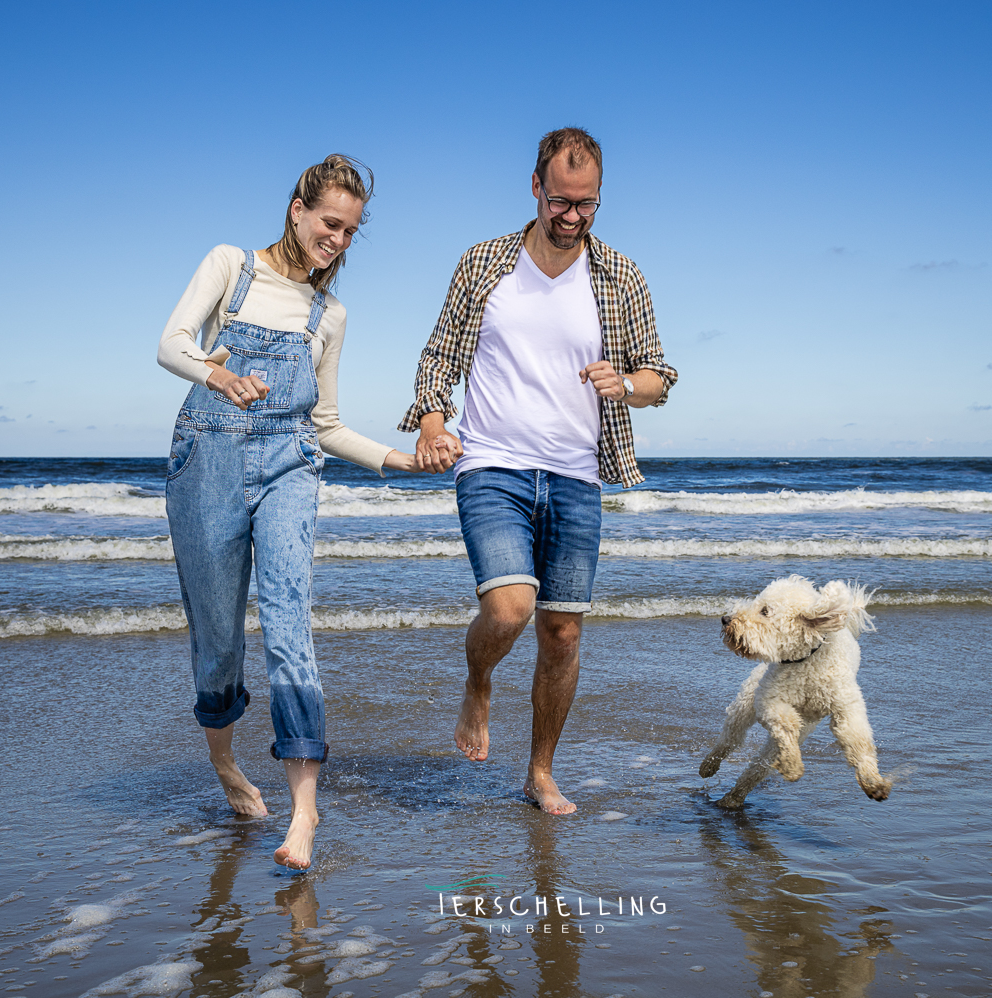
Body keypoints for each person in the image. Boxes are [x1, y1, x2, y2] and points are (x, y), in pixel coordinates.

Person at [399, 127, 678, 815]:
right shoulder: (485, 264)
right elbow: (438, 360)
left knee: (562, 632)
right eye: (560, 201)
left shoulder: (620, 276)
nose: (573, 216)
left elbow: (659, 377)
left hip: (578, 474)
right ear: (535, 188)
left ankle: (540, 772)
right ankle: (478, 681)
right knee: (510, 607)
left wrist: (629, 384)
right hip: (493, 463)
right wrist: (435, 425)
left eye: (587, 204)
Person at [158, 155, 421, 868]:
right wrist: (216, 373)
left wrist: (397, 461)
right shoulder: (230, 267)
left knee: (287, 618)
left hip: (290, 466)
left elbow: (327, 422)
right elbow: (170, 344)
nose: (336, 239)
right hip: (205, 458)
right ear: (297, 209)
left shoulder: (327, 314)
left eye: (349, 232)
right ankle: (226, 765)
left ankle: (304, 813)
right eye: (329, 223)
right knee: (216, 637)